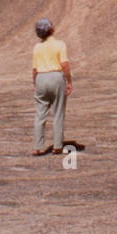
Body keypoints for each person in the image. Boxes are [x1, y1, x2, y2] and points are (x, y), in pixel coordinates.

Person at [31, 18, 72, 155]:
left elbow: (35, 69)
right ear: (50, 29)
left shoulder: (37, 47)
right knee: (58, 112)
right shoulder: (60, 44)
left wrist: (35, 83)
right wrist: (69, 81)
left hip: (41, 78)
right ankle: (58, 146)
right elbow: (64, 65)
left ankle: (37, 147)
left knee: (40, 114)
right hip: (56, 77)